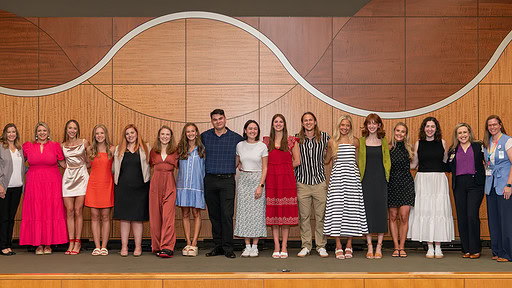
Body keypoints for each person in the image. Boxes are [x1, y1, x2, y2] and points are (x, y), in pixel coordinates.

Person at [408, 116, 454, 258]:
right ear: (424, 128)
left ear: (436, 129)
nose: (430, 129)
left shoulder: (443, 143)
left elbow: (446, 161)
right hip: (423, 180)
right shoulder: (418, 143)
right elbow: (414, 164)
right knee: (426, 211)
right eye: (427, 126)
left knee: (439, 211)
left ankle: (438, 246)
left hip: (439, 180)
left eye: (432, 126)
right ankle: (429, 246)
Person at [324, 115, 368, 259]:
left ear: (350, 127)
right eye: (342, 125)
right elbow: (327, 160)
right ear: (338, 126)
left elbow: (358, 161)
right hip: (337, 179)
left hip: (352, 180)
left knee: (351, 210)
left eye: (347, 125)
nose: (344, 127)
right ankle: (338, 245)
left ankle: (349, 245)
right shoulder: (332, 141)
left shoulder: (356, 141)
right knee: (337, 210)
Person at [201, 109, 243, 258]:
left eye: (220, 119)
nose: (218, 121)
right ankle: (217, 246)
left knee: (226, 215)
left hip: (227, 180)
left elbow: (242, 156)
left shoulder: (236, 138)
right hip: (210, 179)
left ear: (225, 119)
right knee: (214, 215)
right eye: (215, 119)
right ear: (211, 121)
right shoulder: (205, 136)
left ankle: (228, 248)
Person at [20, 122, 67, 254]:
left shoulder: (55, 146)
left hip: (52, 183)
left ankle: (48, 244)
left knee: (50, 210)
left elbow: (64, 164)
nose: (42, 133)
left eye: (44, 130)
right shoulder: (27, 146)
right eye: (39, 131)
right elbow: (17, 162)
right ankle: (38, 244)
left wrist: (82, 166)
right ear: (36, 133)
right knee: (36, 210)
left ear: (48, 132)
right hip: (33, 183)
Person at [263, 114, 300, 259]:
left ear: (284, 124)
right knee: (274, 216)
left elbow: (297, 161)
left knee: (285, 215)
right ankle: (276, 246)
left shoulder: (291, 141)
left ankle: (284, 245)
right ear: (272, 124)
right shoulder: (266, 142)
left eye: (281, 122)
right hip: (272, 181)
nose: (278, 124)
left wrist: (282, 167)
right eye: (276, 122)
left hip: (286, 181)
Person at [295, 112, 330, 258]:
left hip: (319, 182)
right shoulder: (296, 138)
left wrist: (327, 158)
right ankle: (306, 245)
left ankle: (321, 246)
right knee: (304, 217)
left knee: (320, 216)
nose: (308, 122)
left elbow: (330, 154)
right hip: (302, 183)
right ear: (302, 123)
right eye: (305, 121)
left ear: (315, 122)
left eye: (310, 120)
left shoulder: (325, 137)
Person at [447, 123, 485, 259]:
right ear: (456, 136)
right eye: (460, 133)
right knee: (462, 217)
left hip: (475, 184)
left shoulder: (478, 146)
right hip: (459, 185)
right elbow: (447, 166)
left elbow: (487, 160)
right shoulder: (452, 150)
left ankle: (475, 249)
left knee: (471, 215)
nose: (462, 135)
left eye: (465, 132)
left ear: (469, 133)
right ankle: (466, 249)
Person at [113, 124, 150, 257]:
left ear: (137, 133)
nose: (130, 136)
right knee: (124, 219)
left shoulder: (145, 148)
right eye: (127, 134)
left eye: (132, 133)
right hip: (123, 188)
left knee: (137, 219)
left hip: (140, 189)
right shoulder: (119, 149)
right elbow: (114, 169)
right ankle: (124, 247)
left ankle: (138, 247)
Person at [358, 113, 390, 259]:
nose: (371, 126)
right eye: (369, 123)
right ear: (366, 125)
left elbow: (387, 161)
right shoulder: (361, 141)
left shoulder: (384, 141)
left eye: (374, 123)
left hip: (381, 180)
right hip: (366, 180)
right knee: (368, 213)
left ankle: (379, 246)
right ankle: (369, 245)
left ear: (379, 125)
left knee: (380, 212)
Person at [235, 120, 268, 257]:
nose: (252, 131)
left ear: (258, 131)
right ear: (245, 130)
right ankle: (247, 246)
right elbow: (237, 163)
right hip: (243, 180)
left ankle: (255, 246)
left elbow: (265, 168)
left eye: (255, 129)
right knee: (244, 213)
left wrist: (260, 185)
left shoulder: (262, 146)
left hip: (257, 180)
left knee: (257, 214)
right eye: (250, 128)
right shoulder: (239, 145)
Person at [483, 115, 512, 262]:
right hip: (491, 185)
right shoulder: (487, 143)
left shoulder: (507, 141)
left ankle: (507, 253)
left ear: (500, 125)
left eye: (495, 124)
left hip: (504, 186)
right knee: (493, 220)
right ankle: (497, 251)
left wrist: (509, 185)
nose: (492, 127)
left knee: (505, 220)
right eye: (489, 125)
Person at [176, 123, 206, 257]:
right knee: (185, 214)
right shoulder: (180, 149)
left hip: (197, 186)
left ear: (196, 133)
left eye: (192, 131)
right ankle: (187, 242)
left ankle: (194, 243)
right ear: (185, 134)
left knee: (196, 214)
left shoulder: (202, 149)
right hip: (183, 187)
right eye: (188, 131)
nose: (190, 134)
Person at [149, 125, 178, 258]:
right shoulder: (153, 151)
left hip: (169, 183)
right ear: (159, 136)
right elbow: (148, 166)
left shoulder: (176, 151)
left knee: (168, 216)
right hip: (155, 183)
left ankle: (167, 247)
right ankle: (157, 246)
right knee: (155, 216)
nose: (165, 136)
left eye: (167, 134)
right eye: (163, 134)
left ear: (170, 137)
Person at [85, 124, 115, 256]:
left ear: (106, 134)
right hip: (93, 185)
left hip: (107, 184)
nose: (99, 136)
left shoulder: (112, 149)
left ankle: (104, 246)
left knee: (105, 216)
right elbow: (86, 165)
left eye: (102, 133)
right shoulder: (89, 149)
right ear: (94, 135)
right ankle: (96, 246)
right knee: (95, 216)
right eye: (97, 133)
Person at [61, 120, 89, 255]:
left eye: (74, 128)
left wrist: (81, 168)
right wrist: (69, 168)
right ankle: (70, 241)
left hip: (82, 177)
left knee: (78, 210)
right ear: (66, 130)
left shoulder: (84, 142)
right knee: (70, 211)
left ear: (78, 130)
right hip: (68, 178)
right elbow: (61, 161)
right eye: (70, 128)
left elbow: (89, 160)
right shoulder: (62, 145)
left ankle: (77, 241)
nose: (72, 130)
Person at [387, 122, 415, 258]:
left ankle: (402, 247)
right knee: (392, 216)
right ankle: (395, 247)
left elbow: (414, 165)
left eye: (402, 131)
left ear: (406, 134)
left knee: (404, 216)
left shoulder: (409, 148)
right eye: (397, 131)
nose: (399, 133)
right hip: (391, 184)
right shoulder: (387, 147)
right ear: (394, 132)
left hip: (406, 184)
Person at [0, 124, 25, 256]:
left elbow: (21, 168)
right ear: (5, 134)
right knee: (3, 217)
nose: (11, 134)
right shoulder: (1, 148)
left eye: (13, 132)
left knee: (11, 218)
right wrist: (0, 186)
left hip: (17, 187)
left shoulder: (19, 149)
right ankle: (2, 245)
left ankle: (8, 245)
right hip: (4, 187)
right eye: (8, 132)